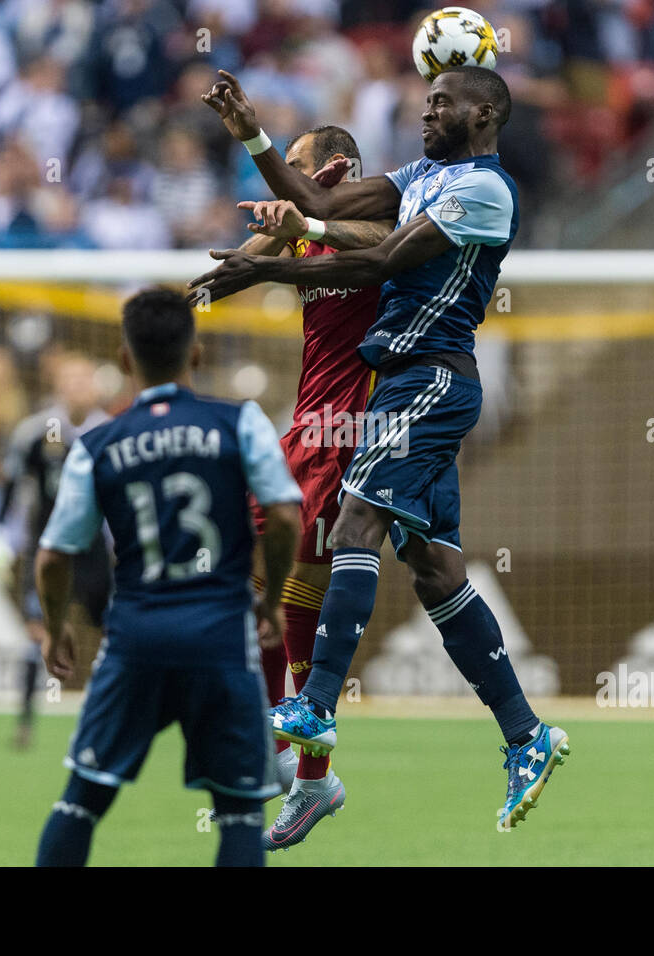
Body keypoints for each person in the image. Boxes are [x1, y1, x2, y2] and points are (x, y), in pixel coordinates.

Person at [192, 66, 569, 831]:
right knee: (435, 572)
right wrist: (254, 138)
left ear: (486, 113)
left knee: (353, 525)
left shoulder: (486, 191)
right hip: (398, 390)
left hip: (422, 382)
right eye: (422, 101)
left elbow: (380, 255)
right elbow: (321, 205)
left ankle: (314, 713)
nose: (424, 111)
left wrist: (279, 256)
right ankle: (528, 736)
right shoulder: (422, 175)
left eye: (440, 103)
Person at [33, 288, 302, 866]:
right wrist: (273, 599)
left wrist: (55, 629)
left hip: (136, 640)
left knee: (81, 800)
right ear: (196, 354)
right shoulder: (240, 422)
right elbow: (283, 514)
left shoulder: (97, 445)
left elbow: (54, 555)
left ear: (126, 361)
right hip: (221, 639)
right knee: (238, 813)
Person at [231, 124, 392, 849]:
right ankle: (306, 767)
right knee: (292, 595)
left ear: (334, 168)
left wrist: (315, 212)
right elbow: (240, 262)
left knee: (288, 583)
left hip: (349, 433)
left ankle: (294, 756)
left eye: (291, 169)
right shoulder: (307, 233)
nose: (282, 184)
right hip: (305, 431)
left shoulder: (383, 225)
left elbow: (380, 245)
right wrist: (282, 222)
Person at [0, 351, 109, 749]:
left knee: (115, 631)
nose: (78, 387)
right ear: (58, 386)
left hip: (93, 554)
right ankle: (24, 723)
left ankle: (120, 719)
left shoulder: (111, 431)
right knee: (36, 632)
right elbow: (11, 484)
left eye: (85, 379)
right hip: (47, 551)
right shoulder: (34, 432)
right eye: (71, 379)